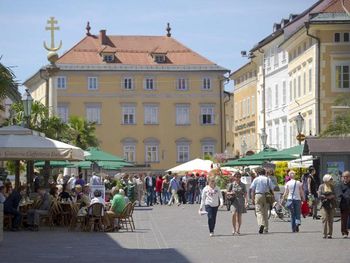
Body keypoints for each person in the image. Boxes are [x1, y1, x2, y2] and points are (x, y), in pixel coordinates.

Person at [250, 167, 274, 234]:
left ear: (258, 173)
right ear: (264, 173)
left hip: (258, 195)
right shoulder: (267, 179)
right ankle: (266, 228)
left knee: (258, 211)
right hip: (266, 196)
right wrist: (273, 197)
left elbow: (252, 190)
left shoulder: (256, 179)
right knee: (265, 212)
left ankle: (261, 224)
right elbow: (272, 188)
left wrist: (252, 198)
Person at [318, 174, 336, 239]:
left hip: (331, 204)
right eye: (330, 179)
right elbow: (319, 195)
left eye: (331, 179)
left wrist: (332, 196)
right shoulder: (321, 186)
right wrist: (326, 196)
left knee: (331, 219)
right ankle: (324, 233)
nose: (331, 180)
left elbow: (334, 194)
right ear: (326, 180)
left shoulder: (332, 186)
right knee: (325, 219)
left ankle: (329, 234)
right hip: (324, 204)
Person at [337, 171, 350, 238]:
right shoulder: (340, 185)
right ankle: (344, 232)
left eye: (347, 177)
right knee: (344, 220)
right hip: (344, 204)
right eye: (344, 177)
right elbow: (339, 194)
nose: (345, 178)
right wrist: (347, 197)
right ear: (342, 177)